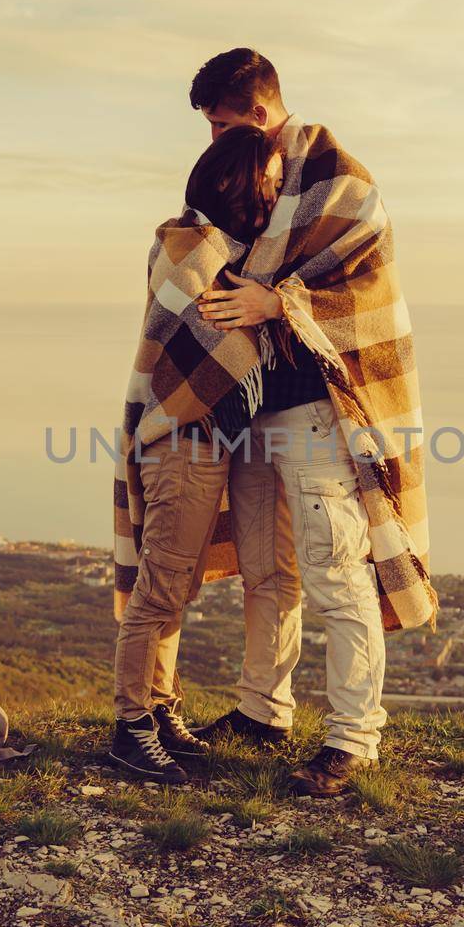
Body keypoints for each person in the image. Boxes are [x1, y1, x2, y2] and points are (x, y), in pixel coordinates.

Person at [181, 48, 439, 797]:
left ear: (259, 116)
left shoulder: (341, 182)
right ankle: (264, 709)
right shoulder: (246, 176)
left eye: (222, 125)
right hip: (255, 403)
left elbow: (364, 284)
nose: (213, 142)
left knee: (335, 570)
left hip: (321, 407)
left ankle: (355, 738)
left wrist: (277, 302)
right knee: (266, 567)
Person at [108, 126, 286, 783]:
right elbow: (197, 320)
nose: (272, 190)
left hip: (207, 440)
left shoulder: (226, 251)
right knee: (158, 591)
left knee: (176, 589)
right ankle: (130, 726)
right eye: (266, 177)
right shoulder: (190, 246)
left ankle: (159, 706)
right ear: (238, 181)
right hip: (181, 441)